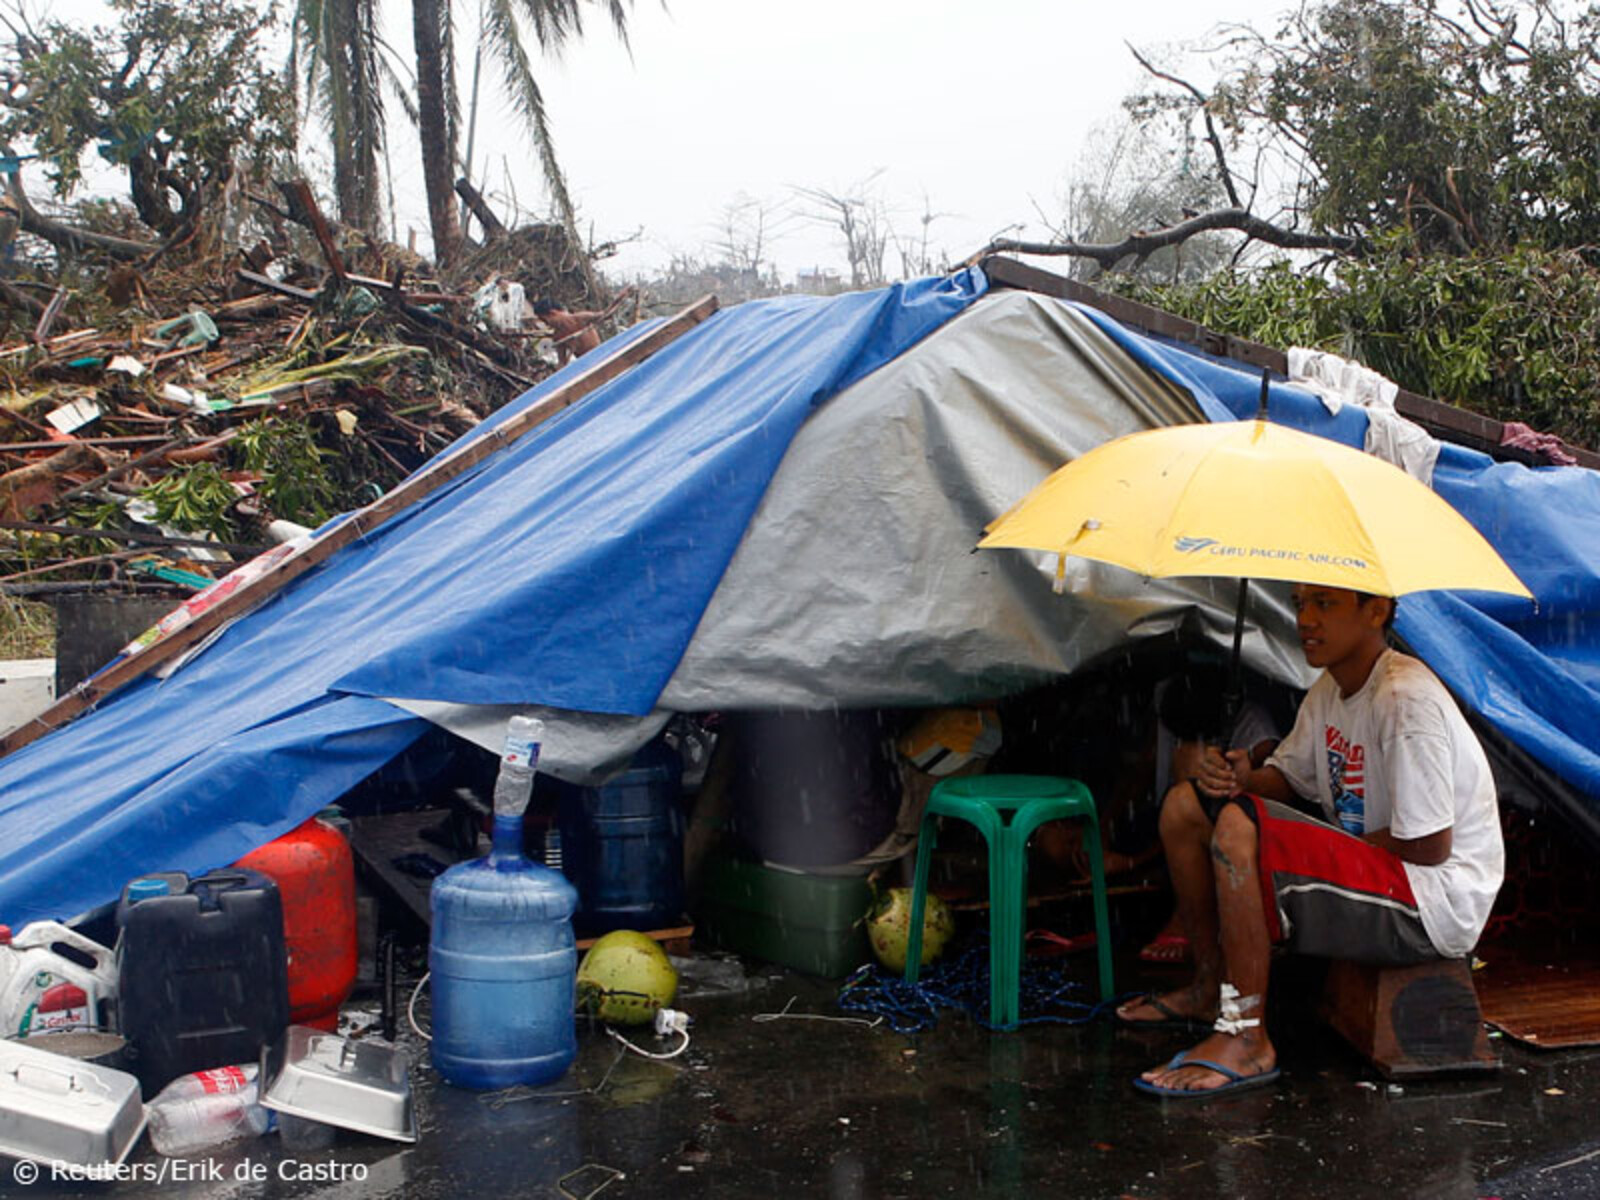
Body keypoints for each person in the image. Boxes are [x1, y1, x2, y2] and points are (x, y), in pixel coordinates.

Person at [1116, 584, 1504, 1098]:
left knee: (1241, 829)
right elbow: (1290, 778)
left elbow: (1429, 844)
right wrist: (1241, 776)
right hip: (1382, 869)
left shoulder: (1403, 699)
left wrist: (1306, 846)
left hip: (1432, 902)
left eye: (1324, 604)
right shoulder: (1329, 690)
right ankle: (1211, 987)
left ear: (1376, 611)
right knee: (1187, 808)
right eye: (1300, 604)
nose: (1305, 619)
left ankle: (1246, 1035)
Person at [531, 298, 604, 364]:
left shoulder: (580, 318)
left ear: (553, 313)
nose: (546, 324)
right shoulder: (558, 336)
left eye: (545, 320)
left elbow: (604, 314)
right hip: (587, 365)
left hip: (602, 356)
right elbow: (562, 362)